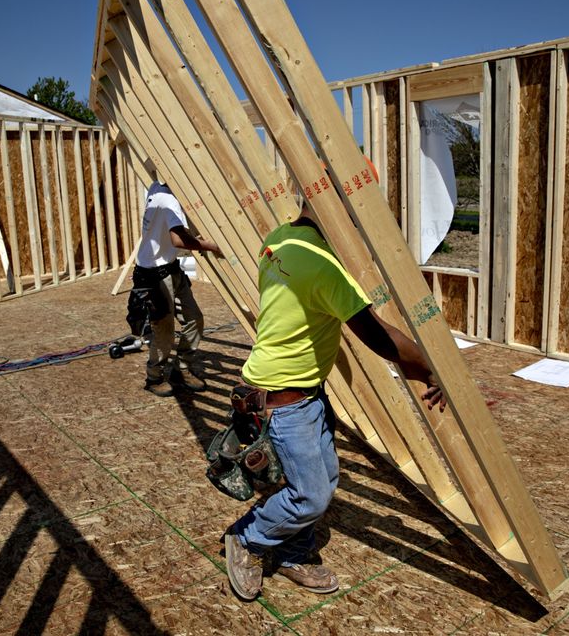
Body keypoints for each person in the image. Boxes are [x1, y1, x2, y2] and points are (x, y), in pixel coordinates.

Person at [224, 200, 446, 601]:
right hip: (283, 401)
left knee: (324, 478)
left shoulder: (281, 238)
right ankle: (248, 538)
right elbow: (380, 338)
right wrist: (430, 370)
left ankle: (293, 553)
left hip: (302, 391)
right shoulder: (324, 266)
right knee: (310, 495)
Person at [134, 180, 223, 396]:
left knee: (194, 320)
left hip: (171, 269)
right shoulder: (169, 200)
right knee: (164, 332)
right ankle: (154, 378)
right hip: (154, 276)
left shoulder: (156, 187)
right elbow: (178, 240)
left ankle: (181, 369)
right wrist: (211, 246)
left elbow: (169, 234)